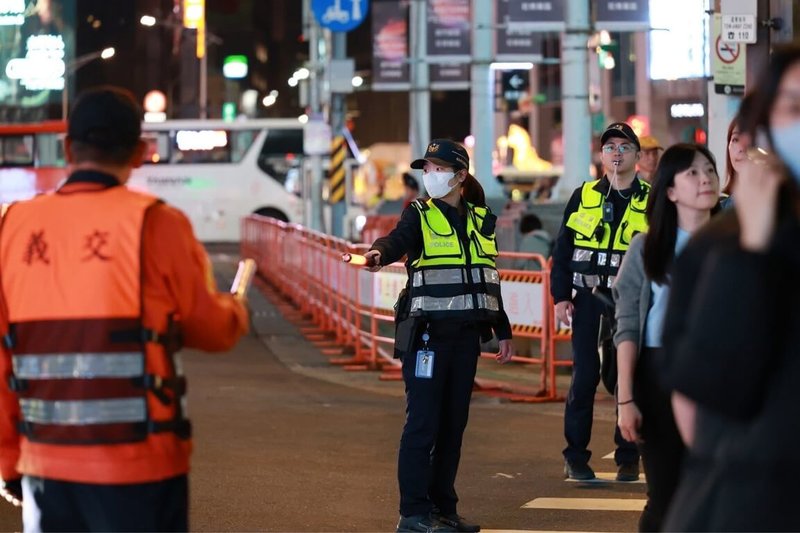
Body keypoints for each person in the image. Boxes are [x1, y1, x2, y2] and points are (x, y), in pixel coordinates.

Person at [0, 86, 249, 531]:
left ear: (67, 148)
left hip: (46, 465)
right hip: (141, 465)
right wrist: (237, 309)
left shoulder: (13, 226)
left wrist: (10, 461)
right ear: (139, 152)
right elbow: (211, 328)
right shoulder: (157, 223)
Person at [659, 44, 800, 531]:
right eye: (794, 107)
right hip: (747, 503)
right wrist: (754, 252)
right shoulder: (720, 245)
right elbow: (708, 385)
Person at [364, 139, 514, 533]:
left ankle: (443, 508)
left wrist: (503, 330)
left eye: (437, 168)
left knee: (452, 427)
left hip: (465, 339)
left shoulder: (482, 219)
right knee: (422, 425)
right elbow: (396, 240)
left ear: (460, 176)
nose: (430, 175)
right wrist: (378, 254)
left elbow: (487, 277)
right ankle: (414, 513)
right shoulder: (418, 214)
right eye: (427, 169)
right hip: (427, 338)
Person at [612, 144, 720, 531]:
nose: (705, 178)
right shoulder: (647, 248)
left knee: (716, 491)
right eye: (692, 172)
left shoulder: (735, 246)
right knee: (665, 494)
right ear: (670, 191)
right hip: (659, 375)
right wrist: (626, 399)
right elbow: (626, 327)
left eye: (709, 170)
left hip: (720, 376)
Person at [550, 122, 649, 481]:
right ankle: (575, 455)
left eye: (624, 146)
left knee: (629, 379)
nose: (617, 153)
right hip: (588, 299)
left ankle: (628, 456)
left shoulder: (651, 199)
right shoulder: (585, 195)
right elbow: (561, 251)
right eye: (610, 147)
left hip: (631, 303)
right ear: (601, 155)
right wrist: (561, 297)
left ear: (637, 155)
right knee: (585, 377)